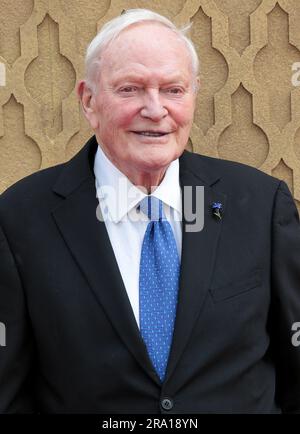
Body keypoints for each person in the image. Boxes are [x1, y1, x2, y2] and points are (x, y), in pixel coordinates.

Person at [0, 8, 300, 414]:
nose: (155, 109)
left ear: (192, 97)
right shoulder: (19, 219)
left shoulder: (262, 205)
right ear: (88, 101)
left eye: (173, 90)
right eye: (130, 89)